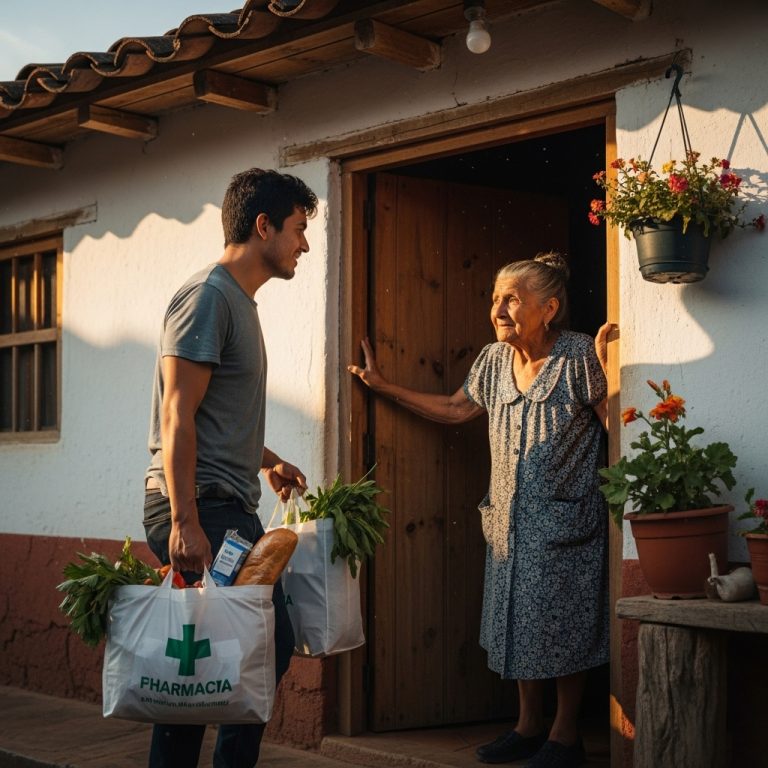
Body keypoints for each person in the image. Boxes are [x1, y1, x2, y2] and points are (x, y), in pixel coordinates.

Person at [348, 252, 615, 768]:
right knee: (518, 622)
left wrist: (612, 372)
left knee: (564, 626)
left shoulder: (579, 356)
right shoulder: (493, 362)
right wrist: (383, 387)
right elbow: (455, 408)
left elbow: (614, 428)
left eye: (511, 299)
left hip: (565, 522)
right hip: (508, 524)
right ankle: (527, 725)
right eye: (495, 298)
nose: (497, 309)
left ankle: (565, 736)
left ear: (549, 308)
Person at [142, 168, 318, 768]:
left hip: (221, 501)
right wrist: (185, 521)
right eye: (297, 229)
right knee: (265, 644)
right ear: (262, 225)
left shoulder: (238, 302)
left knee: (213, 661)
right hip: (200, 506)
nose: (304, 244)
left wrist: (266, 460)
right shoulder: (208, 297)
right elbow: (177, 414)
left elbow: (213, 411)